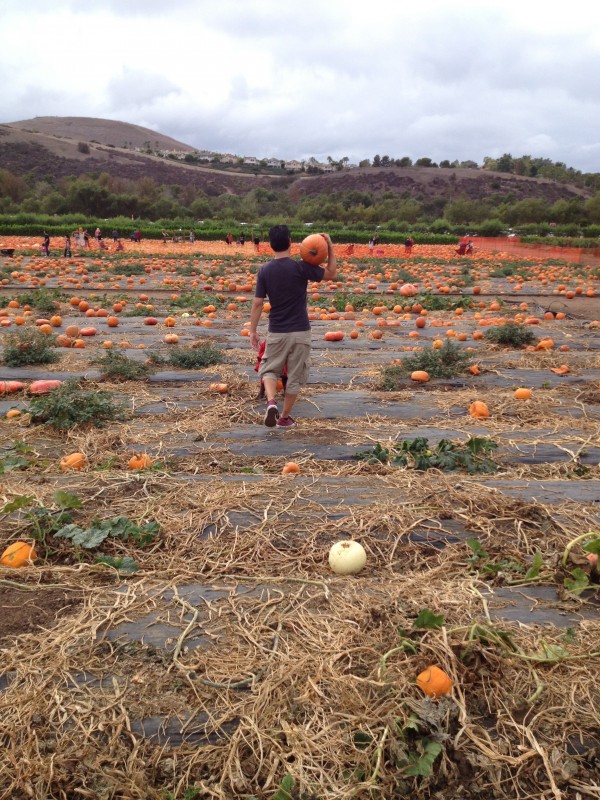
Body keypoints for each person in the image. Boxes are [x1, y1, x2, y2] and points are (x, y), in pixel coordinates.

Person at [249, 225, 337, 429]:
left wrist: (253, 331)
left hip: (277, 331)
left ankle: (271, 402)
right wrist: (330, 246)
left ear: (270, 245)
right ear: (290, 242)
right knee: (295, 376)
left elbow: (257, 303)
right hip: (300, 331)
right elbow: (332, 273)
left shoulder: (265, 270)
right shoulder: (301, 267)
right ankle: (284, 418)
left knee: (269, 369)